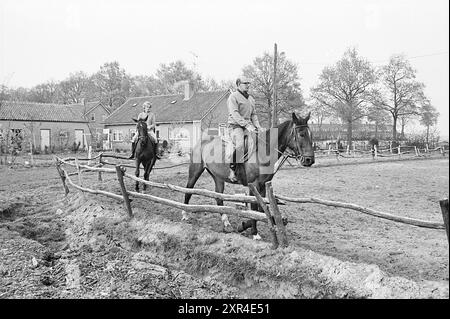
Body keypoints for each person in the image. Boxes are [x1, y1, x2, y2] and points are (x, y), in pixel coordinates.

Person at [227, 76, 263, 182]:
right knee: (240, 145)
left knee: (260, 141)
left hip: (249, 126)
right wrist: (247, 125)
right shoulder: (233, 97)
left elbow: (254, 114)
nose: (248, 85)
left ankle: (256, 168)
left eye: (249, 83)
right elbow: (234, 113)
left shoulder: (251, 99)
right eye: (245, 83)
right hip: (235, 126)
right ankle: (232, 169)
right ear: (238, 85)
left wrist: (258, 126)